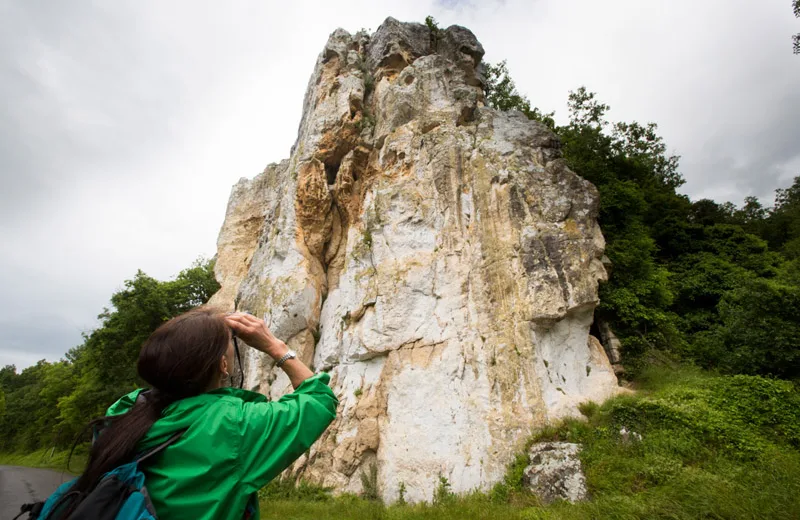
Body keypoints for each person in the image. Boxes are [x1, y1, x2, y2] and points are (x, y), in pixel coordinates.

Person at [68, 307, 337, 520]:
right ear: (223, 365)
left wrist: (191, 329)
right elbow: (318, 399)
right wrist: (275, 346)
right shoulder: (233, 426)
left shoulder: (124, 411)